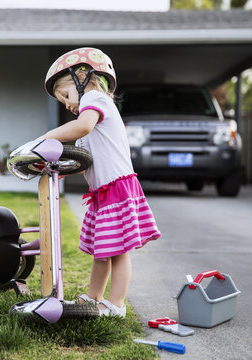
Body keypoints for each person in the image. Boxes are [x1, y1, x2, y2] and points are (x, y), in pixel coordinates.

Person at [37, 47, 161, 318]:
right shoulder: (89, 117)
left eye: (66, 95)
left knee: (117, 252)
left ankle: (116, 304)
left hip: (117, 187)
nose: (68, 105)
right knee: (103, 251)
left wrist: (46, 138)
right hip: (103, 192)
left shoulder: (96, 99)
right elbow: (84, 160)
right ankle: (94, 296)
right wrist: (56, 167)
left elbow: (81, 128)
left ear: (82, 78)